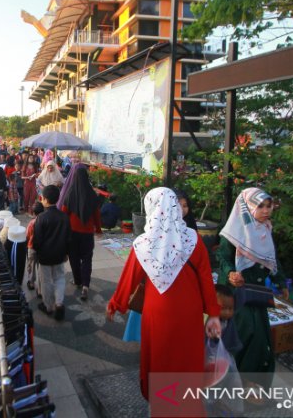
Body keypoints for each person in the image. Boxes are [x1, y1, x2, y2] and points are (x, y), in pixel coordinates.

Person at [107, 187, 221, 404]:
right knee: (186, 359)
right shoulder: (193, 239)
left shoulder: (143, 244)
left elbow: (128, 280)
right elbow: (206, 281)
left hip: (157, 312)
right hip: (190, 311)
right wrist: (213, 314)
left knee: (160, 358)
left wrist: (116, 304)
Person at [216, 187, 287, 389]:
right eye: (260, 206)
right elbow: (222, 256)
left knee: (261, 336)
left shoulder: (265, 230)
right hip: (237, 293)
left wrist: (280, 281)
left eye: (268, 206)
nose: (266, 211)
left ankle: (250, 382)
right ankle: (234, 382)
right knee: (245, 333)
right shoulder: (234, 232)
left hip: (257, 292)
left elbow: (271, 259)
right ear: (248, 207)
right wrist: (231, 273)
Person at [61, 165, 101, 300]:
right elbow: (96, 215)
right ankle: (85, 286)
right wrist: (99, 230)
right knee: (87, 258)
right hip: (88, 233)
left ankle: (77, 281)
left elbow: (64, 213)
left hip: (72, 233)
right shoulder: (92, 194)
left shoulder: (70, 193)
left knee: (74, 258)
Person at [32, 185, 71, 321]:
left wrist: (36, 253)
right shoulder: (64, 217)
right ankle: (59, 304)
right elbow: (68, 238)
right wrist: (67, 253)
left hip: (45, 256)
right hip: (60, 254)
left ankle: (48, 306)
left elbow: (37, 240)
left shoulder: (41, 218)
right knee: (59, 278)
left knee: (46, 281)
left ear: (45, 199)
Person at [216, 283, 243, 355]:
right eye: (223, 308)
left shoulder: (230, 320)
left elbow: (241, 298)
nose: (227, 312)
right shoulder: (208, 321)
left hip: (227, 353)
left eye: (230, 308)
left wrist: (240, 285)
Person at [25, 201, 45, 293]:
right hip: (42, 249)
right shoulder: (45, 222)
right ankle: (40, 289)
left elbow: (28, 236)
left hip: (32, 248)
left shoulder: (31, 223)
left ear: (33, 213)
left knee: (31, 266)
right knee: (41, 269)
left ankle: (31, 283)